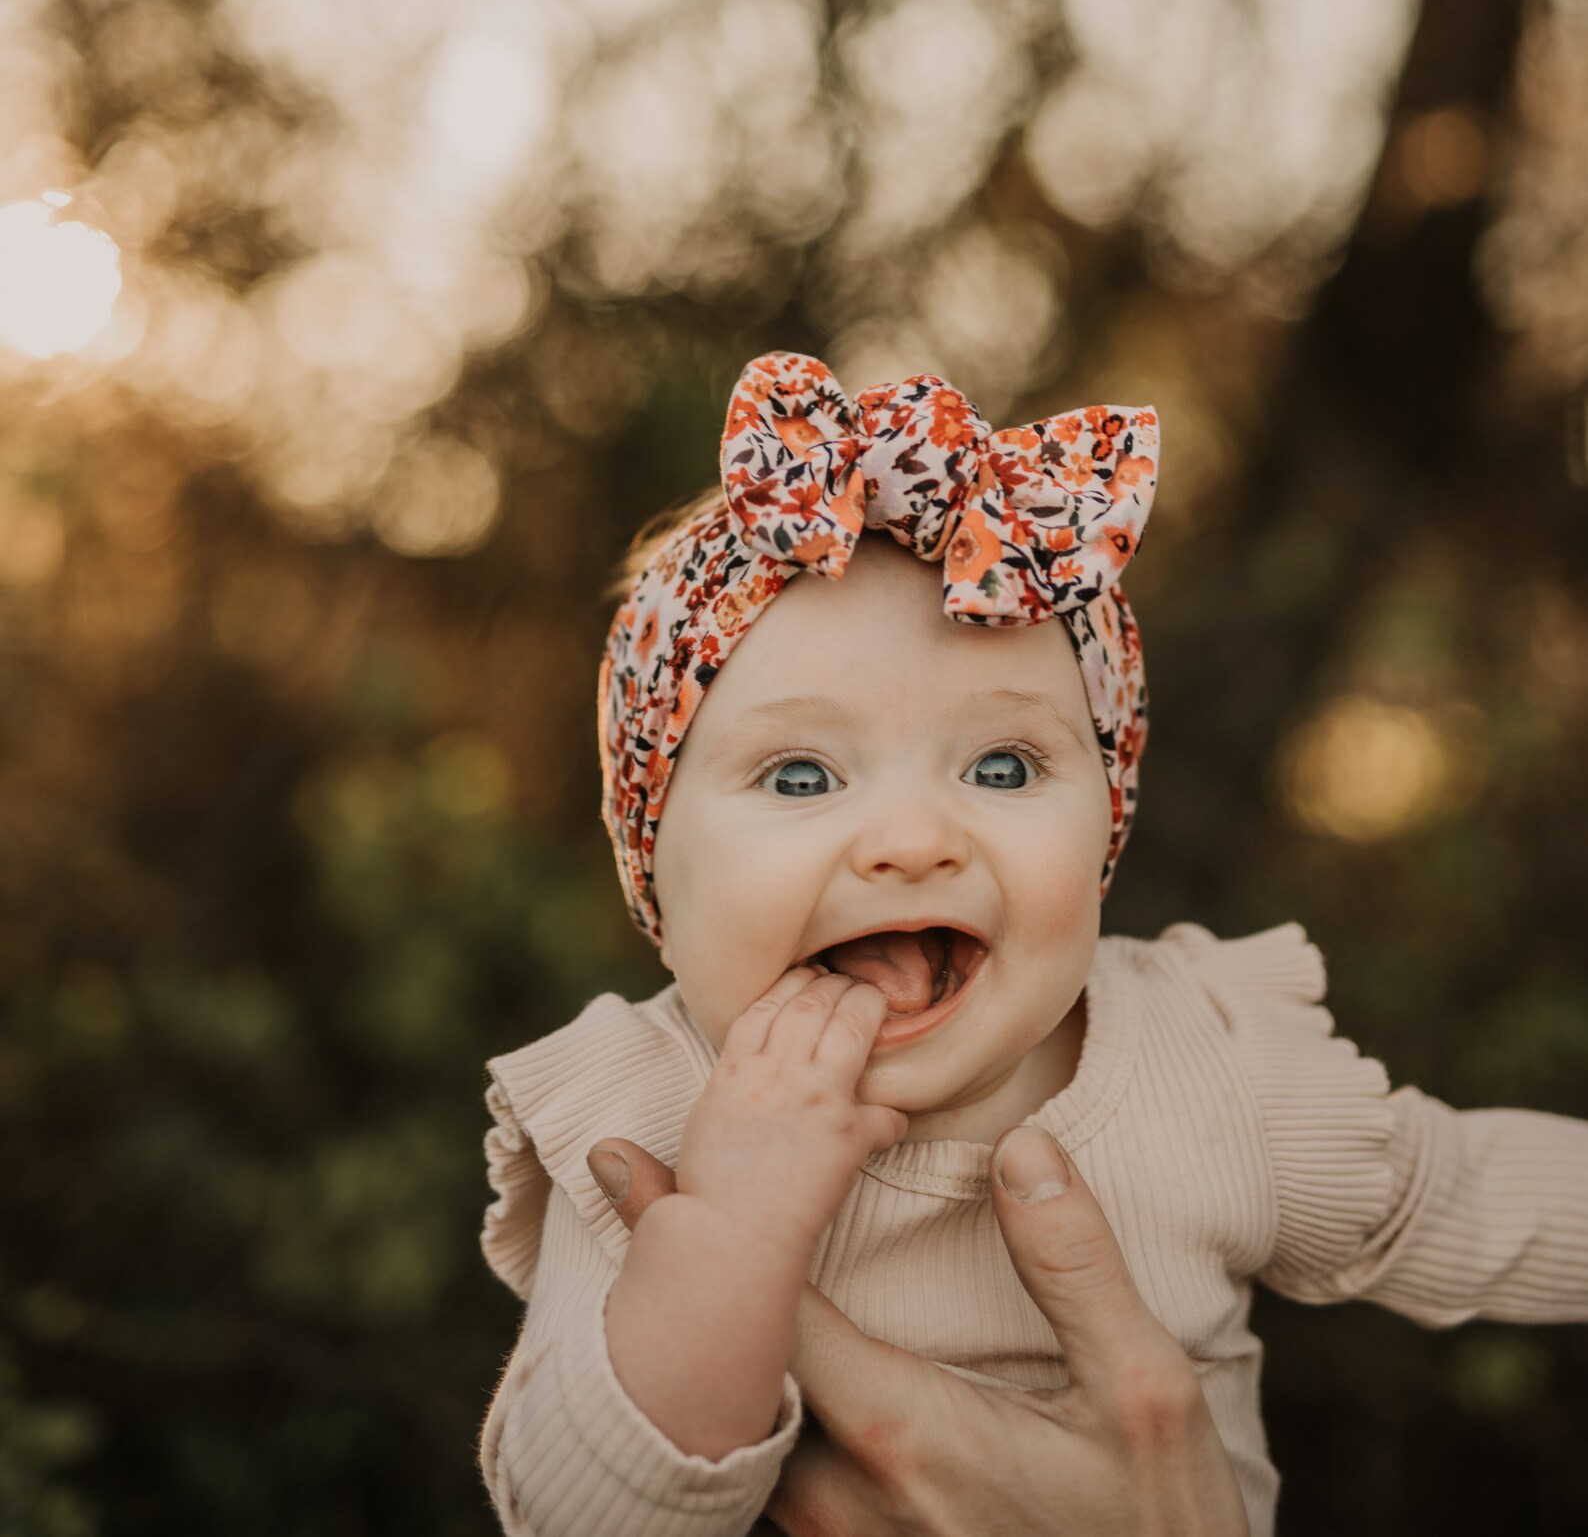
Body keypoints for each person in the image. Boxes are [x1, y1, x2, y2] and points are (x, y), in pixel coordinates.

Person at [475, 352, 1588, 1537]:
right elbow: (573, 1510)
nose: (911, 839)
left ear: (1105, 821)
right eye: (801, 774)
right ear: (653, 862)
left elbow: (1451, 1195)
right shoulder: (635, 1115)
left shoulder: (1206, 1060)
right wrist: (727, 1233)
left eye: (1001, 766)